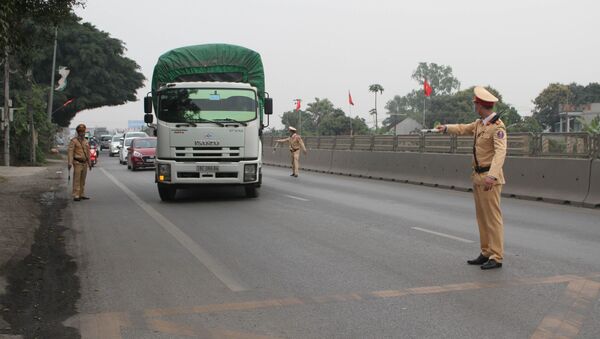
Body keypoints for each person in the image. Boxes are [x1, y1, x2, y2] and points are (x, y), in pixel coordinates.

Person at [436, 86, 507, 270]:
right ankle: (485, 252)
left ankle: (496, 256)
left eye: (476, 104)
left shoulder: (497, 127)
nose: (474, 106)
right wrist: (445, 128)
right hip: (477, 176)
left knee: (493, 218)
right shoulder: (479, 124)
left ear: (482, 105)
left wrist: (492, 176)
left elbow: (500, 153)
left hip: (490, 178)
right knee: (482, 218)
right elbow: (461, 128)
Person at [68, 124, 92, 201]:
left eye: (83, 131)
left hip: (84, 163)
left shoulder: (86, 141)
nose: (83, 133)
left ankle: (81, 194)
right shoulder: (74, 141)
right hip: (77, 162)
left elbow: (88, 152)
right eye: (81, 132)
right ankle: (76, 195)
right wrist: (70, 162)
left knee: (83, 180)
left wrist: (89, 162)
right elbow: (70, 152)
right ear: (78, 132)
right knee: (77, 179)